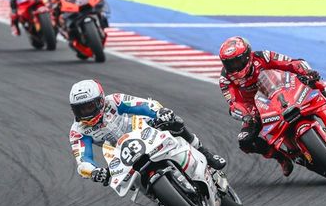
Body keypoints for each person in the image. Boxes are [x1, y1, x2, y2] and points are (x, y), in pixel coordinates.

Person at [217, 36, 326, 177]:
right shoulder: (225, 79)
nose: (234, 67)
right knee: (245, 141)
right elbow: (234, 103)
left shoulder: (263, 56)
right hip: (256, 110)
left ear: (247, 56)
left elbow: (291, 63)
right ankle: (281, 158)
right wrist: (247, 115)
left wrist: (306, 72)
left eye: (237, 61)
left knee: (315, 83)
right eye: (230, 64)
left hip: (281, 92)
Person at [68, 79, 226, 186]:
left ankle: (204, 153)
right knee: (125, 183)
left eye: (89, 106)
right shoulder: (78, 131)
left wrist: (159, 112)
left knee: (174, 121)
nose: (86, 112)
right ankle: (164, 202)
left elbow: (143, 105)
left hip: (143, 130)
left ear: (101, 100)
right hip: (121, 154)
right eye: (80, 109)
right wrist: (95, 172)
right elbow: (83, 161)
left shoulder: (114, 101)